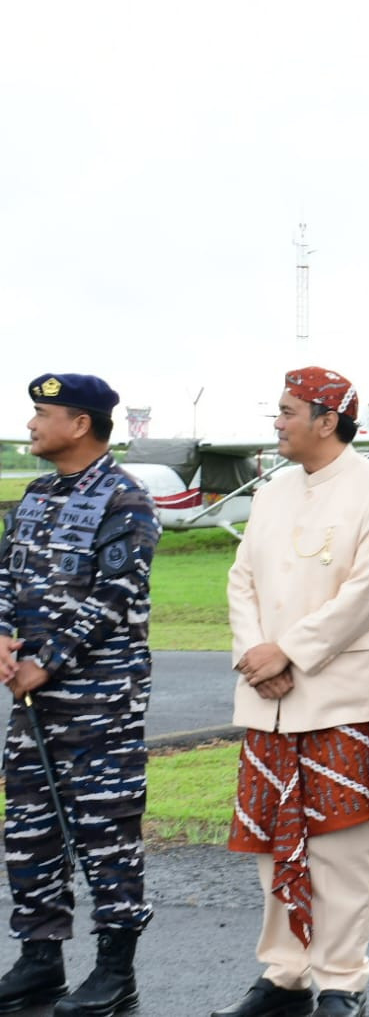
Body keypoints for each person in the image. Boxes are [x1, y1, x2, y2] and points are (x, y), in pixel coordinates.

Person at [210, 367, 369, 1017]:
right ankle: (285, 978)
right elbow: (241, 579)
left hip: (344, 693)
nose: (276, 422)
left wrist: (289, 651)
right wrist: (253, 652)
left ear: (327, 420)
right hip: (268, 694)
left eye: (287, 411)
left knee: (342, 847)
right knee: (274, 837)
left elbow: (367, 591)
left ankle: (340, 983)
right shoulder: (271, 492)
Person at [0, 373, 158, 1016]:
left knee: (105, 828)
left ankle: (114, 970)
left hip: (101, 700)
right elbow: (5, 575)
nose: (32, 425)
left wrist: (48, 659)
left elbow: (114, 597)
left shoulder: (126, 499)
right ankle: (40, 959)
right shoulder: (34, 495)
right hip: (32, 698)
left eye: (44, 414)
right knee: (30, 827)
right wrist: (4, 637)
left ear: (80, 425)